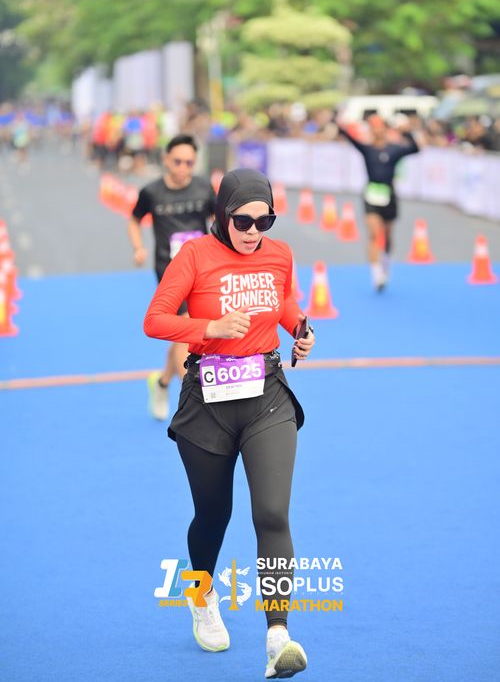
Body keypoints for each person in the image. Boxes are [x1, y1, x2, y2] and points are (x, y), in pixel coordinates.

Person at [143, 168, 315, 678]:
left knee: (272, 514)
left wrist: (299, 327)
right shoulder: (195, 255)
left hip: (267, 396)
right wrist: (209, 326)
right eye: (243, 221)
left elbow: (282, 301)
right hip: (208, 401)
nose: (253, 231)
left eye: (265, 221)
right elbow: (155, 319)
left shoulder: (279, 254)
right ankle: (201, 594)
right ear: (223, 215)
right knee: (213, 515)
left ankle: (278, 636)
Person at [129, 134, 216, 420]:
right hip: (169, 271)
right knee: (187, 328)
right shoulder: (151, 192)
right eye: (177, 161)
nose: (183, 168)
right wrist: (138, 247)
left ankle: (162, 382)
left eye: (189, 163)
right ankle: (192, 398)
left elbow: (218, 222)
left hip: (203, 268)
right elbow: (134, 220)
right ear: (166, 160)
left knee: (186, 330)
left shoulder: (204, 188)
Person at [337, 114, 420, 290]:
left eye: (380, 128)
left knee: (387, 235)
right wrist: (341, 124)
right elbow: (350, 138)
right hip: (371, 195)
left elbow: (415, 149)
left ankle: (385, 262)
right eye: (374, 128)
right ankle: (376, 274)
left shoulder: (394, 150)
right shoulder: (367, 149)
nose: (377, 131)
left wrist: (407, 132)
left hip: (389, 195)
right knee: (374, 234)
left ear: (385, 130)